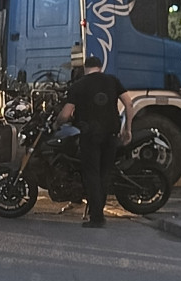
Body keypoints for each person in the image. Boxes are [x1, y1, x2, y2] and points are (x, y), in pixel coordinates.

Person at [54, 56, 134, 228]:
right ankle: (97, 212)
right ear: (100, 67)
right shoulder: (112, 81)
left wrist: (57, 123)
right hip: (111, 134)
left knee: (92, 175)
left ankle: (97, 218)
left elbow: (66, 114)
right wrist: (127, 129)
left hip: (90, 136)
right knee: (104, 174)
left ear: (85, 68)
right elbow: (129, 103)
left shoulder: (78, 85)